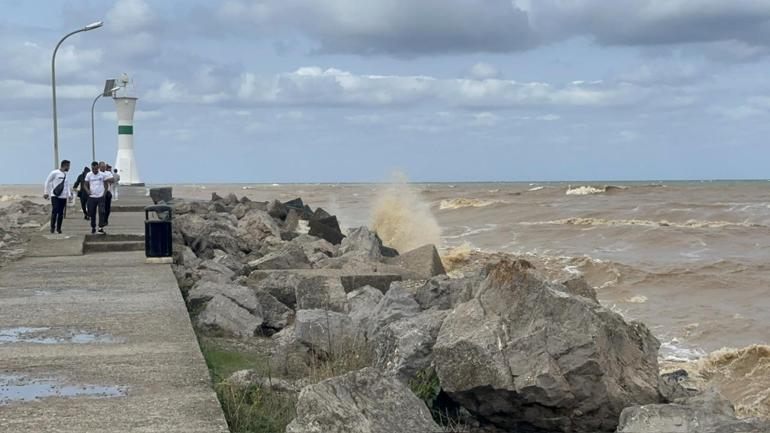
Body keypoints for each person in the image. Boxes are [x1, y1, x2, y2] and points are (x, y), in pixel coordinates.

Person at [83, 161, 114, 234]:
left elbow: (106, 184)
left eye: (96, 169)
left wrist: (104, 193)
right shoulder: (89, 175)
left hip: (100, 197)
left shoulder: (102, 175)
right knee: (92, 213)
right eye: (93, 169)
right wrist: (88, 191)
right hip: (92, 197)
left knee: (102, 212)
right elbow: (85, 185)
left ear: (98, 168)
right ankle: (93, 226)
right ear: (91, 168)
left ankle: (101, 228)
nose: (95, 171)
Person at [43, 160, 73, 234]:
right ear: (65, 166)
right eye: (68, 166)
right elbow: (47, 181)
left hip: (63, 197)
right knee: (55, 211)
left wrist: (69, 195)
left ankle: (59, 228)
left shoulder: (65, 175)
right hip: (55, 196)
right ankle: (52, 228)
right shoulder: (55, 173)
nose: (69, 168)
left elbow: (67, 186)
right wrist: (46, 192)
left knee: (61, 213)